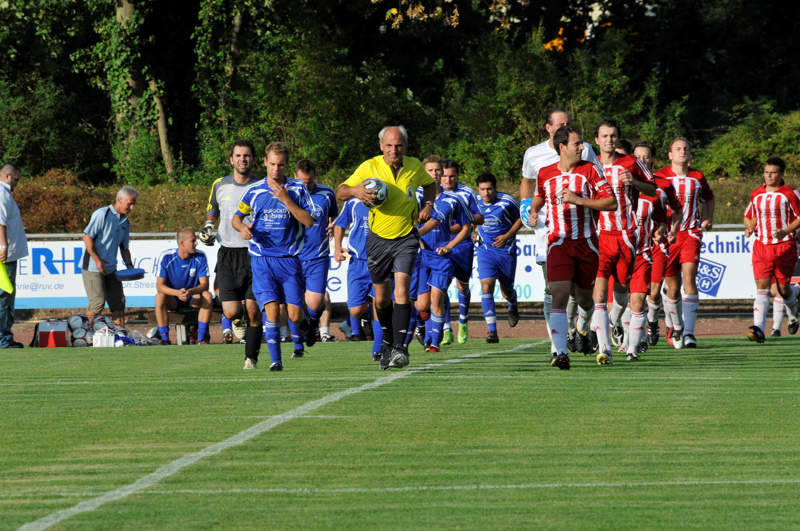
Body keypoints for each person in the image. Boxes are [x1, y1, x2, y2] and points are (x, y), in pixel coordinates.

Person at [336, 125, 436, 370]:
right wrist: (357, 191)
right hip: (378, 240)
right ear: (381, 146)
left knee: (401, 292)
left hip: (406, 238)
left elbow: (430, 185)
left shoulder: (414, 166)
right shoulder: (369, 166)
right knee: (381, 300)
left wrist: (428, 205)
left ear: (405, 146)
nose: (394, 150)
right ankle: (388, 341)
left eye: (399, 145)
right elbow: (341, 192)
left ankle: (400, 348)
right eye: (389, 145)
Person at [531, 125, 617, 370]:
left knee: (585, 300)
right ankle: (560, 353)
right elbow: (539, 196)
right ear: (562, 147)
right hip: (558, 243)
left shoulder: (590, 170)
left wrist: (578, 200)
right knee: (558, 295)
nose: (582, 147)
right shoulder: (545, 173)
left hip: (587, 243)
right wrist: (534, 211)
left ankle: (583, 324)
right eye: (577, 143)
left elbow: (611, 202)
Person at [519, 107, 600, 355]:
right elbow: (528, 182)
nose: (565, 126)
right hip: (548, 232)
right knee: (554, 289)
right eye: (560, 124)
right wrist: (527, 208)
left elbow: (598, 182)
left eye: (568, 123)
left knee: (578, 292)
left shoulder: (585, 151)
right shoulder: (533, 154)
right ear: (548, 128)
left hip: (581, 232)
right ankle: (558, 343)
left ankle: (577, 328)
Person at [232, 142, 317, 371]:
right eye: (272, 164)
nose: (276, 169)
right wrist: (242, 229)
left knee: (294, 315)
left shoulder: (297, 189)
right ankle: (275, 361)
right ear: (265, 163)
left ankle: (306, 323)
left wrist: (286, 200)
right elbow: (236, 218)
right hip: (261, 259)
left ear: (287, 165)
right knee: (271, 310)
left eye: (280, 165)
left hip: (289, 260)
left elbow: (309, 221)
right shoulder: (254, 190)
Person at [591, 120, 656, 363]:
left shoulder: (632, 163)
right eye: (604, 136)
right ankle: (604, 349)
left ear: (617, 138)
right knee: (599, 294)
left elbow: (652, 189)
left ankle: (612, 321)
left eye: (613, 136)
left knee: (620, 294)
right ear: (597, 140)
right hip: (600, 236)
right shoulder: (590, 166)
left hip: (627, 235)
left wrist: (635, 182)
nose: (609, 140)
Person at [200, 140, 262, 345]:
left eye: (246, 156)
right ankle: (237, 319)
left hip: (255, 253)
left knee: (253, 308)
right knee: (230, 311)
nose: (242, 159)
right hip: (228, 253)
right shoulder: (220, 184)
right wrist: (209, 226)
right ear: (231, 160)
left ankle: (254, 345)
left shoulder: (262, 185)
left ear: (253, 159)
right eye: (238, 156)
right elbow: (212, 208)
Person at [656, 137, 715, 349]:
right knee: (672, 287)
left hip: (691, 233)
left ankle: (689, 333)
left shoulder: (697, 176)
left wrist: (707, 218)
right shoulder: (660, 176)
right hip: (668, 236)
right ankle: (674, 325)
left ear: (690, 154)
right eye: (678, 149)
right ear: (670, 154)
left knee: (689, 278)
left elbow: (709, 198)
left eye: (686, 148)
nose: (682, 151)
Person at [286, 159, 338, 357]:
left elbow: (335, 218)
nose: (305, 186)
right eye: (302, 182)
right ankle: (298, 346)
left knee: (315, 304)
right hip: (293, 256)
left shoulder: (327, 193)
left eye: (309, 182)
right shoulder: (287, 194)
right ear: (295, 176)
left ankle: (313, 323)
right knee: (294, 304)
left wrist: (333, 226)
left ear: (315, 176)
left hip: (318, 255)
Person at [744, 157, 800, 342]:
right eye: (766, 172)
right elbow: (749, 216)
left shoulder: (789, 194)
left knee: (783, 289)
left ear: (781, 174)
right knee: (762, 287)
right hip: (761, 245)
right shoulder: (756, 194)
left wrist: (786, 231)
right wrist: (749, 227)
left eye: (773, 173)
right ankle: (758, 329)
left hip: (784, 246)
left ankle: (793, 307)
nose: (769, 176)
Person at [416, 177, 474, 352]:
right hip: (421, 257)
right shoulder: (414, 197)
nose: (434, 174)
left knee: (437, 299)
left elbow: (467, 226)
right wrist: (417, 242)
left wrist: (449, 246)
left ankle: (434, 342)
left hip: (441, 258)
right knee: (422, 305)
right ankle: (422, 325)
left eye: (437, 170)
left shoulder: (452, 199)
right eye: (429, 171)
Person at [439, 159, 484, 344]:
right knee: (440, 287)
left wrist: (464, 221)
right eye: (444, 176)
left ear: (457, 176)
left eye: (452, 176)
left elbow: (480, 217)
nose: (448, 180)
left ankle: (463, 321)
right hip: (440, 244)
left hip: (463, 246)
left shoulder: (466, 192)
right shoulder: (433, 193)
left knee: (462, 286)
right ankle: (446, 328)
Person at [475, 172, 522, 343]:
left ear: (495, 188)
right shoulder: (474, 202)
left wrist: (507, 236)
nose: (486, 193)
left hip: (505, 251)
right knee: (486, 286)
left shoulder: (507, 201)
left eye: (489, 189)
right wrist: (472, 231)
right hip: (485, 250)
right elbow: (468, 218)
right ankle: (492, 331)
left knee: (506, 290)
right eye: (482, 189)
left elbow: (521, 218)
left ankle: (512, 303)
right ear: (478, 189)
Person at [81, 186, 137, 328]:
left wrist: (130, 266)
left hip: (111, 268)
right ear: (120, 200)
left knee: (118, 303)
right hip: (93, 267)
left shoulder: (125, 222)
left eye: (133, 204)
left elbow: (124, 247)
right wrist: (98, 261)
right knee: (97, 303)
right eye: (130, 204)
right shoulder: (102, 214)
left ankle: (120, 334)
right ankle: (86, 334)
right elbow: (87, 237)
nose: (132, 208)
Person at [154, 229, 214, 344]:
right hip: (173, 300)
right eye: (193, 241)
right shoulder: (166, 257)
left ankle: (201, 339)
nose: (196, 243)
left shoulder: (200, 256)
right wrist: (177, 293)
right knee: (159, 297)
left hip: (193, 298)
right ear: (182, 243)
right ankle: (165, 339)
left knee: (207, 295)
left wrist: (190, 291)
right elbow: (159, 286)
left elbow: (205, 284)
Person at [333, 197, 372, 344]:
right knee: (356, 309)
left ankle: (380, 345)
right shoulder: (353, 202)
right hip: (358, 261)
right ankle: (355, 323)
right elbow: (340, 224)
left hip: (381, 261)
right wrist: (337, 249)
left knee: (382, 303)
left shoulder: (389, 199)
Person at [0, 163, 27, 348]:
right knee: (4, 296)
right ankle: (2, 339)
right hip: (5, 256)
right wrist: (3, 246)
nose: (17, 183)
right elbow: (0, 222)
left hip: (8, 254)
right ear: (8, 176)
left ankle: (5, 336)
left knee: (7, 296)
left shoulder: (5, 193)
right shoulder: (2, 193)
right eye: (16, 179)